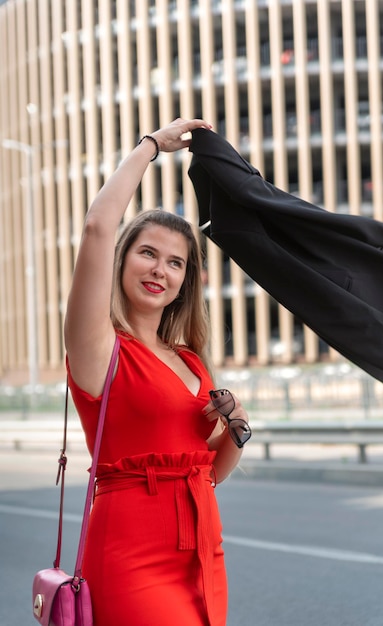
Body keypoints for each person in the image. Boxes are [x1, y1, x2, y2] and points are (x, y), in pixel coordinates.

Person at [64, 118, 251, 626]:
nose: (159, 271)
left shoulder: (189, 357)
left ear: (186, 280)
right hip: (130, 554)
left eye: (175, 263)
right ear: (122, 260)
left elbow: (205, 472)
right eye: (147, 253)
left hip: (202, 551)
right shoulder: (99, 347)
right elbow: (98, 226)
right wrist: (151, 147)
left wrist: (237, 428)